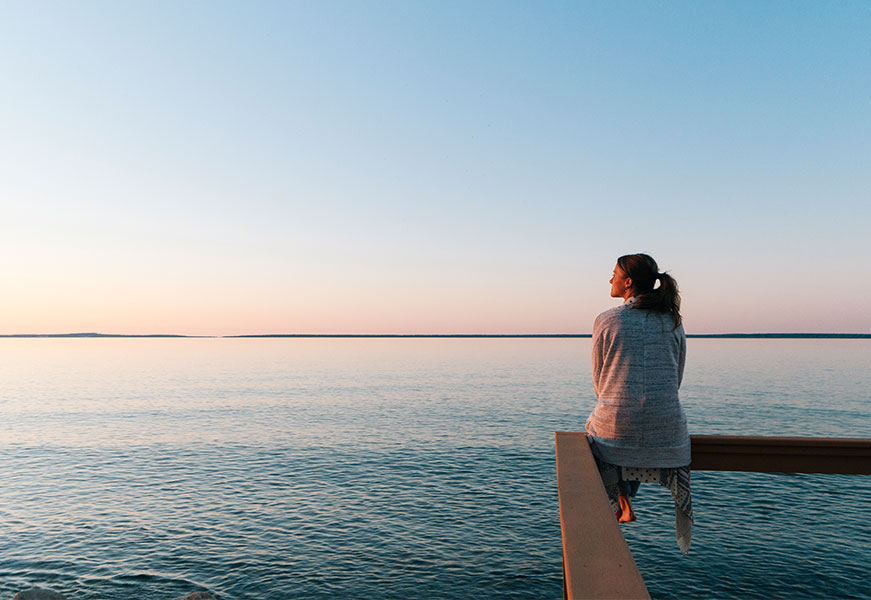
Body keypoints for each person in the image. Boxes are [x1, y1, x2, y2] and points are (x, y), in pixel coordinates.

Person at [585, 253, 693, 553]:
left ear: (628, 282)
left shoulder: (607, 319)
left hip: (617, 427)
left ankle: (623, 499)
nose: (610, 279)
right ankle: (627, 497)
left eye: (614, 274)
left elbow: (599, 381)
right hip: (669, 430)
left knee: (600, 431)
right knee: (630, 430)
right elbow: (677, 376)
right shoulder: (672, 321)